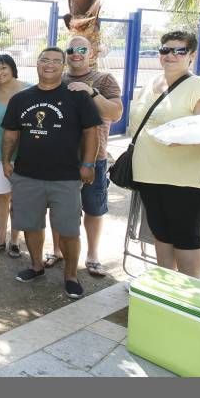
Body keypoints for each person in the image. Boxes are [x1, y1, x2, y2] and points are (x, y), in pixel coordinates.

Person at [2, 47, 101, 300]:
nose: (50, 65)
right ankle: (36, 266)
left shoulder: (77, 98)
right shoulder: (21, 99)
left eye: (56, 61)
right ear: (37, 63)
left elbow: (91, 132)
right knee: (31, 225)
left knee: (69, 230)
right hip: (27, 175)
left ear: (64, 66)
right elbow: (11, 134)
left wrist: (88, 165)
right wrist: (5, 161)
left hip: (66, 177)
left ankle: (70, 276)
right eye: (45, 60)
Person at [43, 36, 123, 275]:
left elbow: (116, 113)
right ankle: (56, 250)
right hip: (61, 157)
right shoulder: (60, 78)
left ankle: (92, 255)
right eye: (71, 49)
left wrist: (92, 92)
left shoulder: (104, 79)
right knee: (57, 208)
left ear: (91, 53)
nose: (76, 53)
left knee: (93, 208)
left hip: (94, 158)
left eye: (81, 49)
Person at [130, 30, 200, 278]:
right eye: (165, 50)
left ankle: (190, 295)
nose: (170, 55)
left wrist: (182, 140)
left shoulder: (197, 86)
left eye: (179, 50)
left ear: (191, 55)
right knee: (161, 234)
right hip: (149, 175)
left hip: (183, 179)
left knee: (186, 237)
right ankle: (166, 290)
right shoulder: (151, 82)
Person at [0, 54, 29, 258]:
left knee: (19, 201)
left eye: (3, 68)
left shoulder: (29, 89)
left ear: (12, 68)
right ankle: (1, 239)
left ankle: (14, 241)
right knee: (0, 198)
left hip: (26, 156)